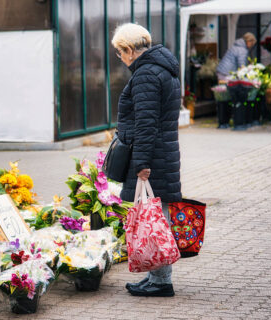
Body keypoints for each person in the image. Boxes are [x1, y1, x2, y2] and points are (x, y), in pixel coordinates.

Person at [111, 23, 182, 297]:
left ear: (129, 49)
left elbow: (146, 123)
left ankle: (161, 282)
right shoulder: (163, 69)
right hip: (163, 153)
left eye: (120, 53)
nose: (121, 58)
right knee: (156, 215)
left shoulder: (146, 75)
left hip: (153, 156)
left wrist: (140, 164)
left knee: (155, 219)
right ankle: (157, 277)